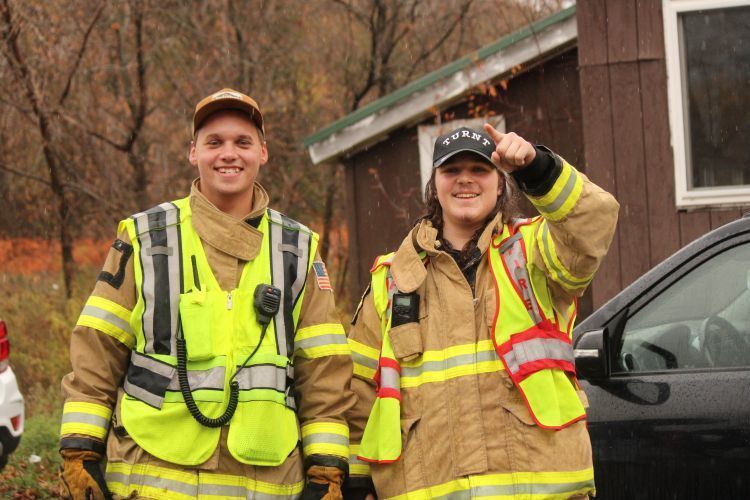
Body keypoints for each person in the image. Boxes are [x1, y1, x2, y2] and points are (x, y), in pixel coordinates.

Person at [59, 88, 355, 499]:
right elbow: (97, 350)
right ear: (192, 153)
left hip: (267, 485)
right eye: (214, 142)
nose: (228, 154)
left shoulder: (299, 250)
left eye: (242, 142)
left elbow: (323, 374)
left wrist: (326, 469)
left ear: (263, 153)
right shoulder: (146, 238)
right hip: (152, 479)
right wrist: (80, 448)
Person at [344, 125, 619, 499]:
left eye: (479, 170)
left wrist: (537, 168)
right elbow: (359, 394)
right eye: (451, 170)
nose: (465, 181)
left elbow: (595, 220)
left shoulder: (536, 251)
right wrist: (358, 484)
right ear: (435, 185)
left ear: (501, 183)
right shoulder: (392, 279)